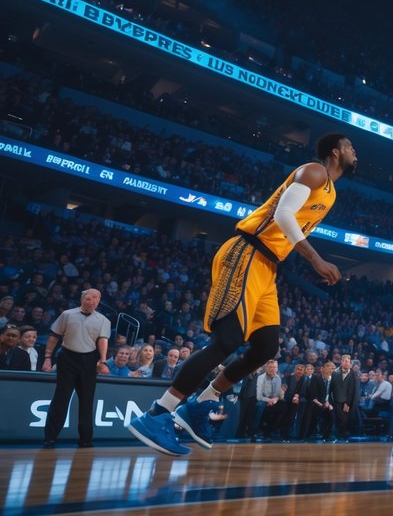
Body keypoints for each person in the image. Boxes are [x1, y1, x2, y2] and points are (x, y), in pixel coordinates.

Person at [129, 134, 353, 456]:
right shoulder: (315, 172)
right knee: (227, 341)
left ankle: (200, 405)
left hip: (268, 267)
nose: (354, 152)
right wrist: (314, 258)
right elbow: (282, 215)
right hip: (247, 253)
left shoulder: (331, 192)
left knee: (266, 347)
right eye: (349, 147)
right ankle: (157, 415)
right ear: (335, 152)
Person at [40, 289, 111, 448]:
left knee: (87, 400)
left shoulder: (103, 320)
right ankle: (50, 438)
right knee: (61, 398)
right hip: (67, 357)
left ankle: (86, 439)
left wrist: (103, 361)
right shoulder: (67, 314)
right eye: (89, 297)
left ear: (99, 301)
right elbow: (54, 336)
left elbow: (102, 341)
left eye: (96, 298)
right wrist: (47, 357)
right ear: (82, 299)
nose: (92, 301)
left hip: (89, 360)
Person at [331, 354, 359, 441]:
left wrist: (348, 403)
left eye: (347, 361)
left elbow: (353, 390)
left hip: (348, 401)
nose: (346, 363)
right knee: (339, 418)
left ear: (350, 363)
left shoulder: (354, 375)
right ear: (341, 362)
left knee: (345, 419)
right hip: (336, 400)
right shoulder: (335, 373)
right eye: (344, 361)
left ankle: (342, 434)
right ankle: (339, 434)